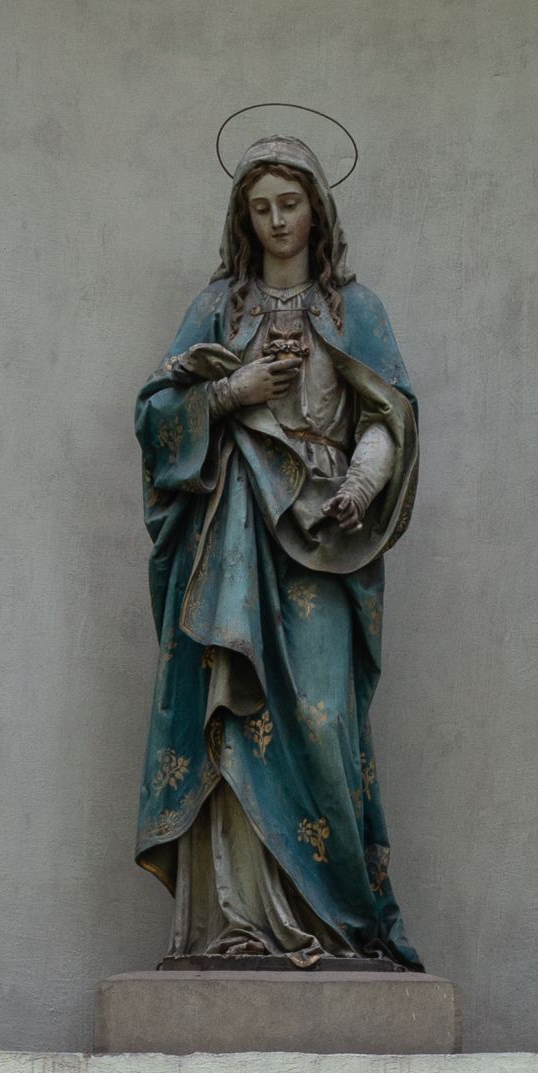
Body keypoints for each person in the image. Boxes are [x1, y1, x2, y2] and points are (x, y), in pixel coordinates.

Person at [132, 135, 422, 968]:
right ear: (244, 217)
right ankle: (238, 921)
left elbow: (388, 418)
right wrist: (234, 389)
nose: (277, 220)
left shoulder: (357, 312)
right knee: (234, 708)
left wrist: (358, 487)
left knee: (325, 721)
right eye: (260, 208)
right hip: (234, 538)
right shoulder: (219, 308)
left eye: (289, 204)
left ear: (317, 210)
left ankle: (337, 923)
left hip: (324, 534)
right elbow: (155, 418)